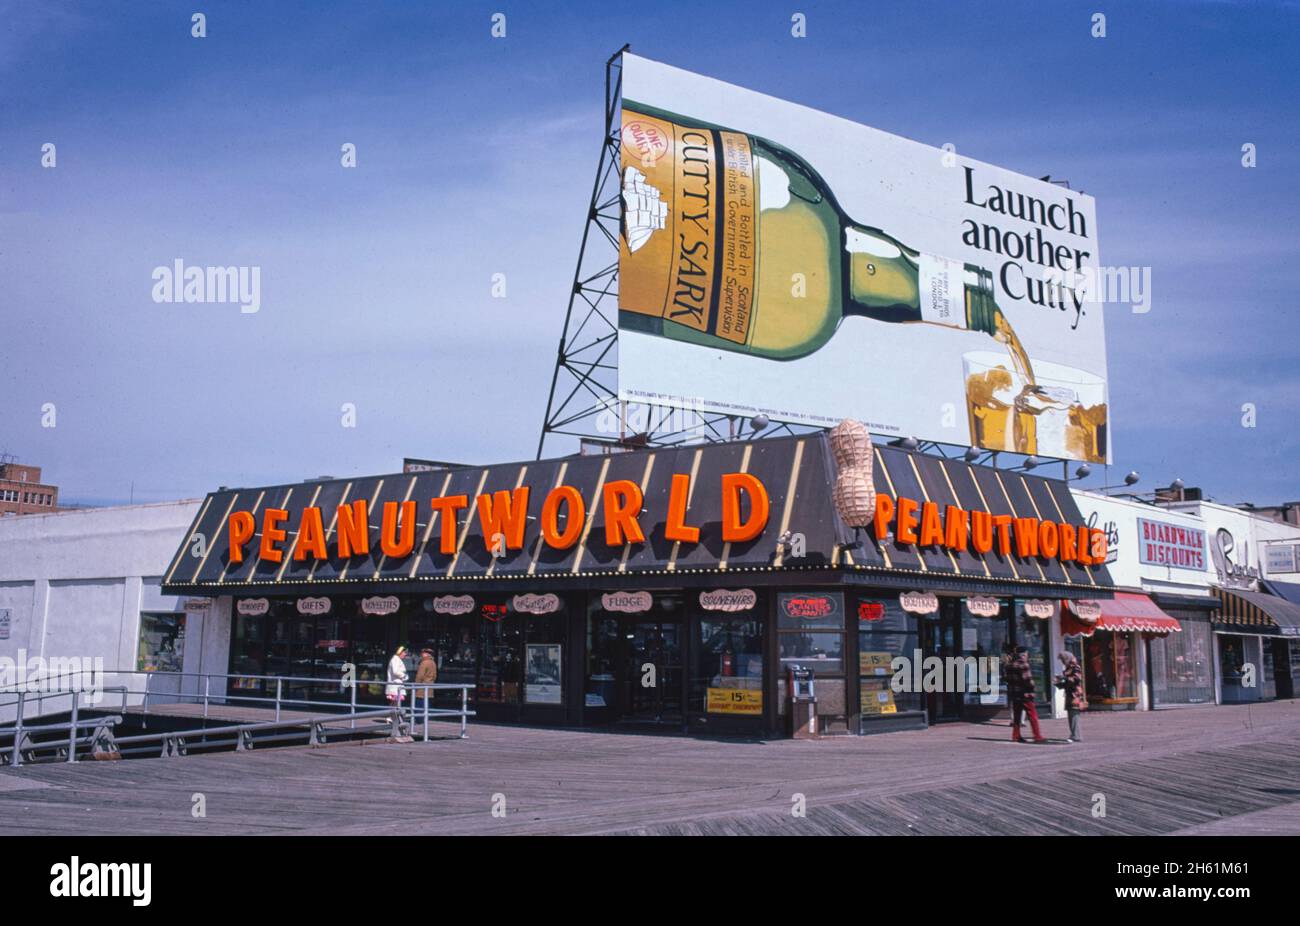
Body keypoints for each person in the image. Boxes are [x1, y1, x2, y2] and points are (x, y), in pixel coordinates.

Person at [1006, 645, 1046, 743]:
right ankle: (1037, 735)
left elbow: (1007, 679)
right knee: (1032, 715)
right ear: (1023, 655)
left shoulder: (1009, 665)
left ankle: (1016, 735)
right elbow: (1028, 680)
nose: (1027, 656)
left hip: (1015, 694)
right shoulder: (1023, 664)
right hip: (1025, 694)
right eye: (1027, 654)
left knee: (1017, 716)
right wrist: (1032, 689)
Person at [1055, 652, 1086, 742]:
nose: (1062, 662)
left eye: (1063, 660)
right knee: (1071, 714)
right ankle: (1074, 734)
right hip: (1070, 693)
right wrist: (1059, 684)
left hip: (1075, 694)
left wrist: (1064, 678)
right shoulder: (1068, 668)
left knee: (1074, 715)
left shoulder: (1075, 667)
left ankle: (1076, 735)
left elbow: (1076, 679)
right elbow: (1068, 682)